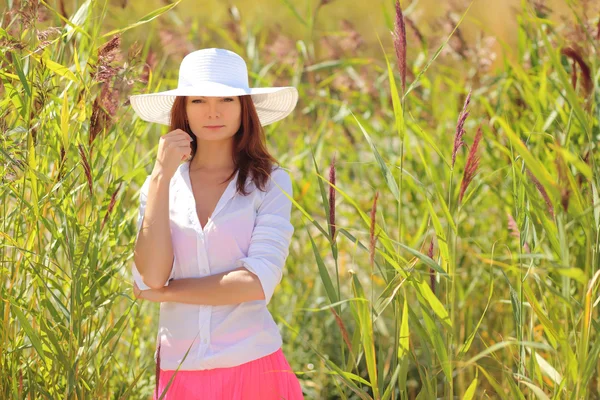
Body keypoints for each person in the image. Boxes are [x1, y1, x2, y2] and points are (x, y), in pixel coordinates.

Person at [128, 48, 304, 400]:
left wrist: (166, 294)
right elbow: (150, 276)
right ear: (183, 109)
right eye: (198, 101)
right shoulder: (160, 185)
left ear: (244, 108)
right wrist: (161, 175)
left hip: (254, 368)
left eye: (227, 98)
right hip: (179, 374)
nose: (213, 111)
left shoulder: (269, 182)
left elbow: (255, 281)